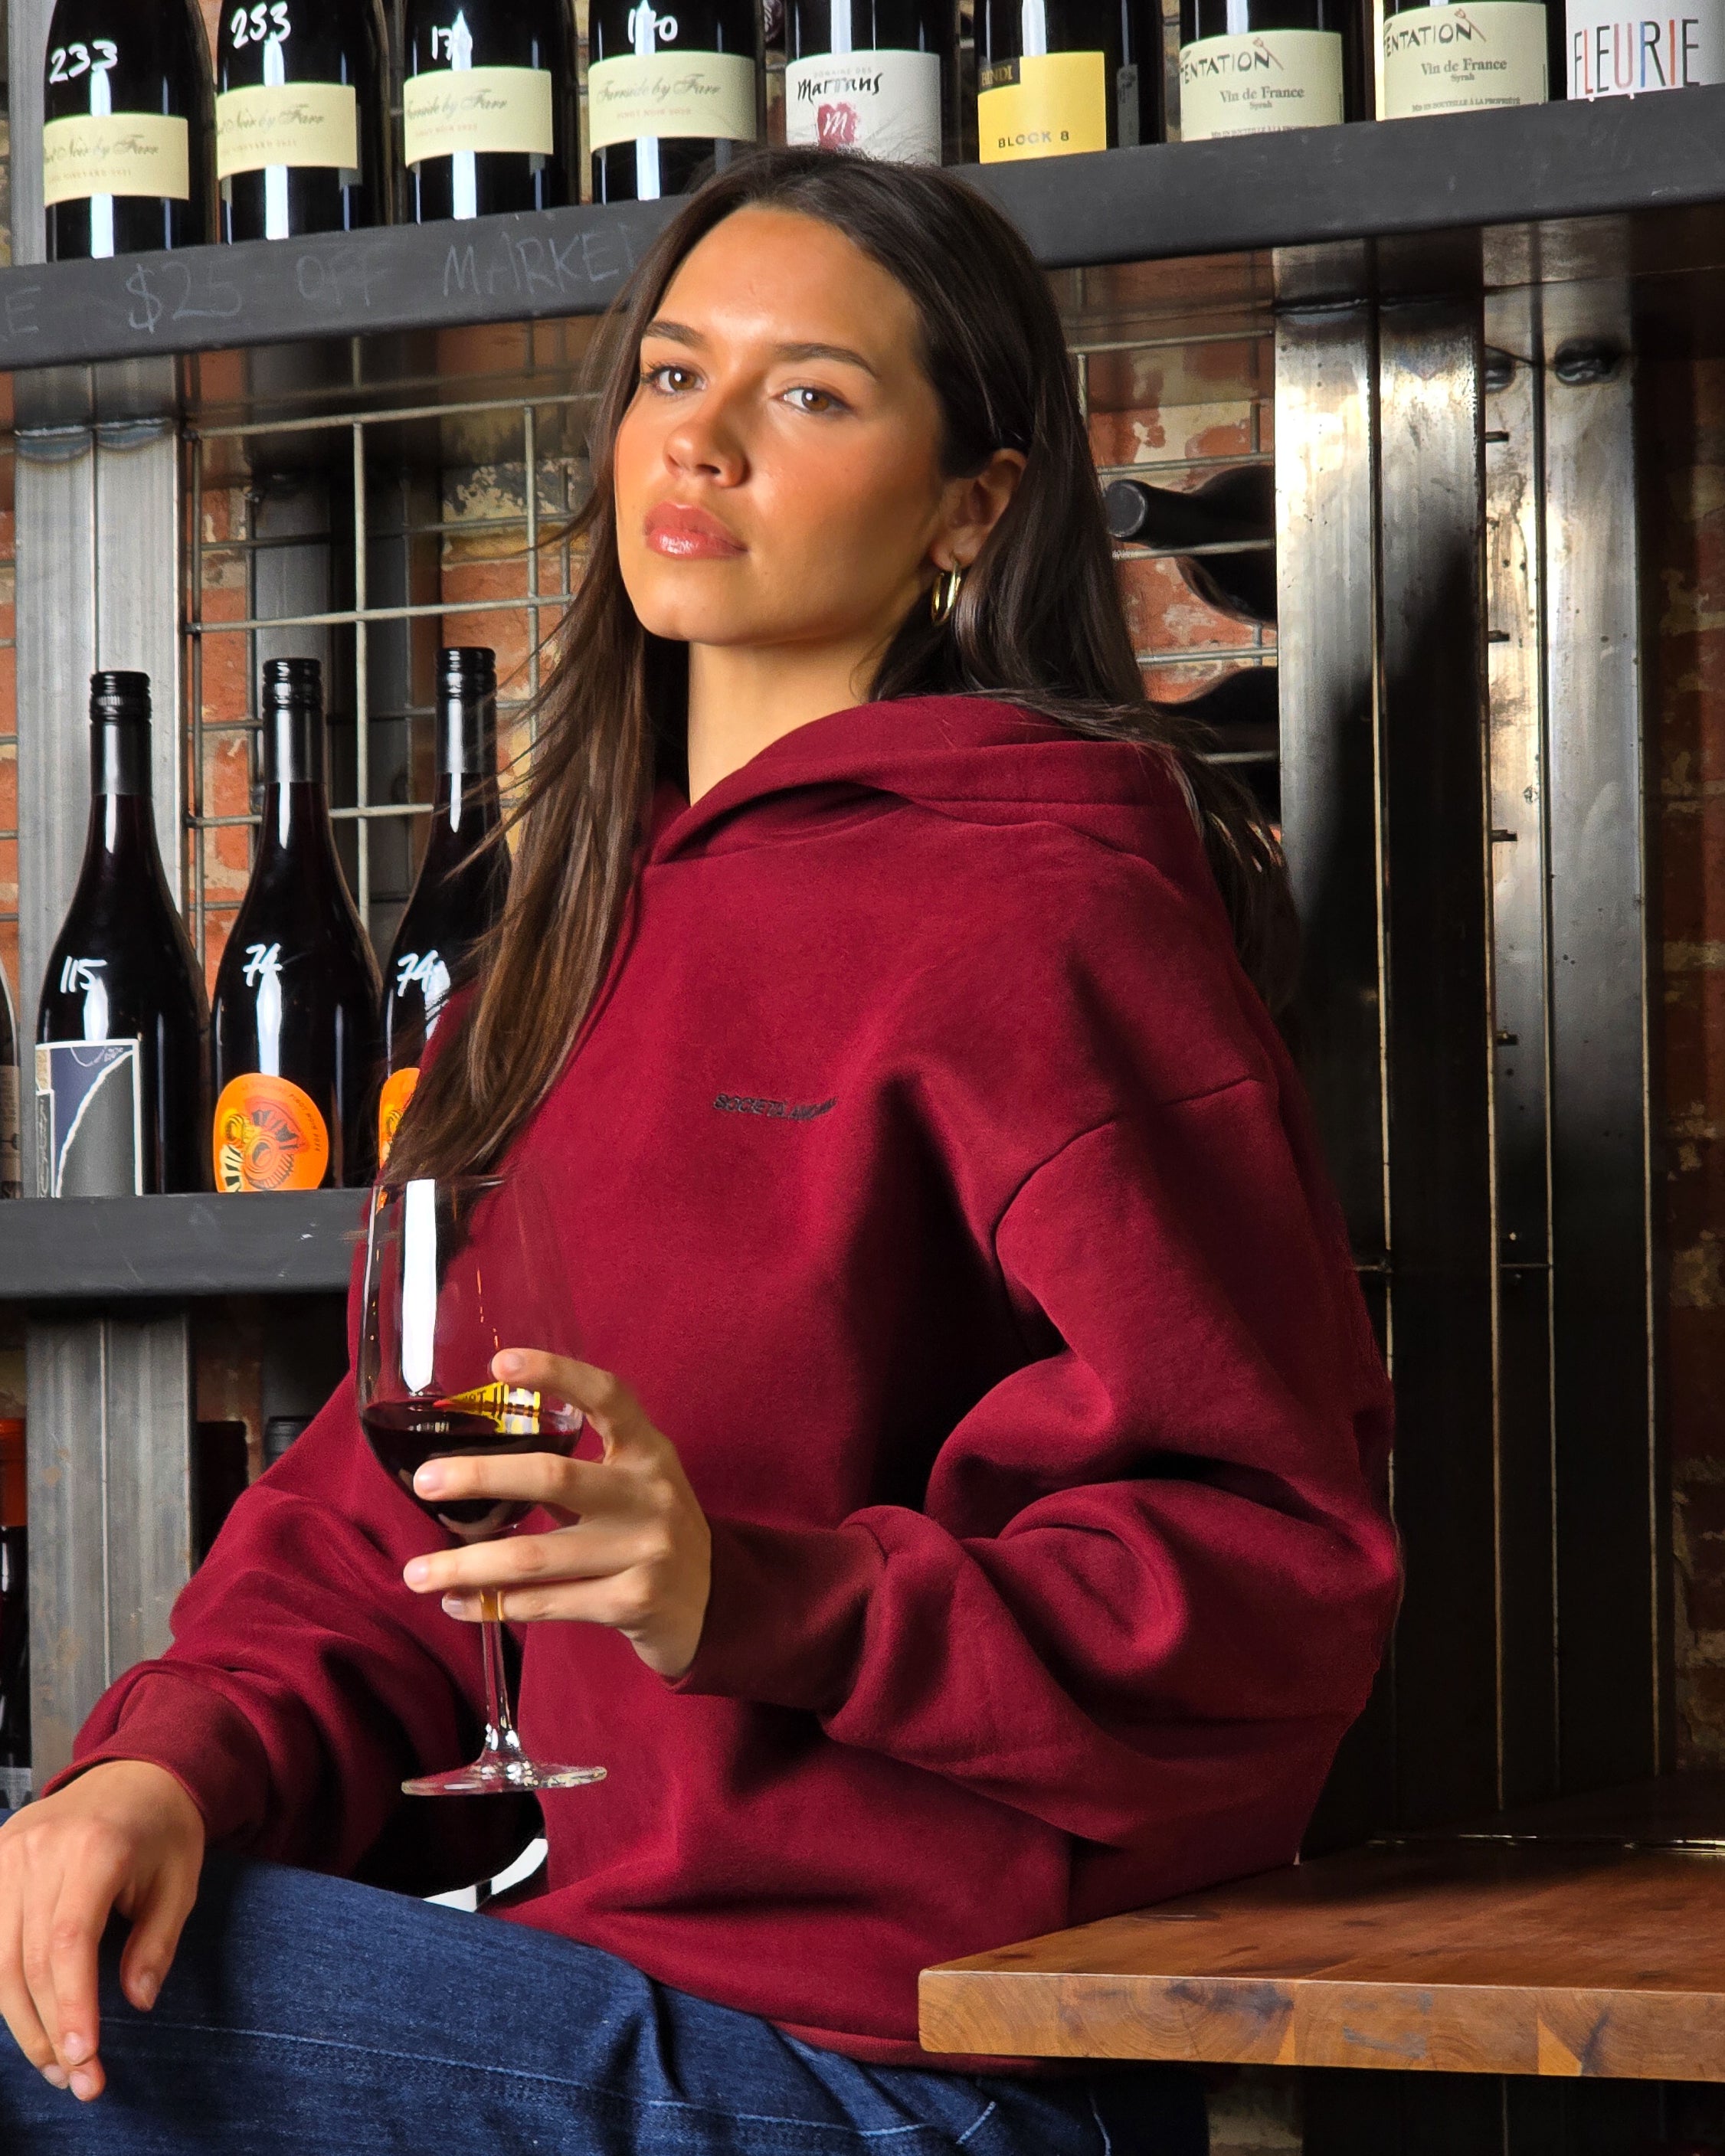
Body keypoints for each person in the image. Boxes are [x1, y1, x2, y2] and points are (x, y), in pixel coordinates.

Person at [0, 149, 1399, 2153]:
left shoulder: (1041, 911)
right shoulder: (567, 940)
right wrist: (168, 1768)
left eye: (809, 393)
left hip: (901, 2065)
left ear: (971, 507)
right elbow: (396, 1510)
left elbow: (1275, 1580)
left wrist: (759, 1598)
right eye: (671, 374)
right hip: (582, 1966)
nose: (707, 440)